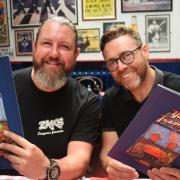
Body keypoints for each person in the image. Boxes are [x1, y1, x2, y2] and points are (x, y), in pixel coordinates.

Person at [0, 16, 100, 180]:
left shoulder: (87, 101)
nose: (54, 53)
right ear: (34, 47)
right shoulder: (4, 88)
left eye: (64, 46)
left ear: (76, 54)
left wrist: (45, 169)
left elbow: (79, 162)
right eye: (47, 43)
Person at [99, 25, 180, 180]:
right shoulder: (110, 98)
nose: (121, 67)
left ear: (145, 51)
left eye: (127, 55)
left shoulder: (177, 87)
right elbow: (106, 152)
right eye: (112, 62)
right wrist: (111, 165)